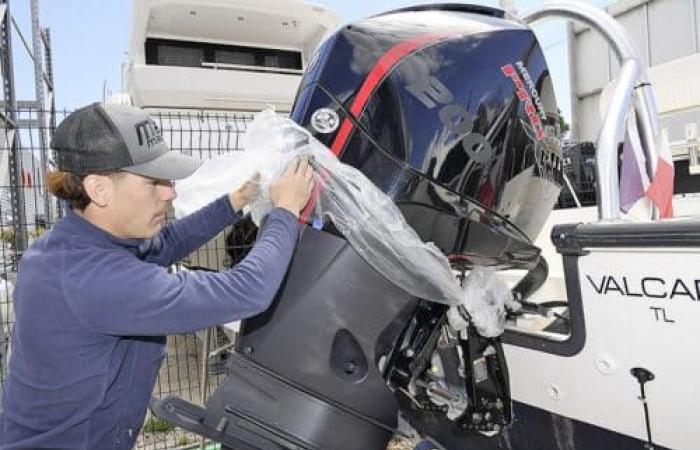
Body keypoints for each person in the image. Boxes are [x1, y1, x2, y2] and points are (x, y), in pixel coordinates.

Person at [0, 103, 314, 450]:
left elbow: (165, 244)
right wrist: (285, 210)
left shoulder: (73, 247)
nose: (171, 192)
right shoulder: (93, 279)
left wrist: (236, 200)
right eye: (153, 181)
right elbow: (248, 290)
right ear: (99, 188)